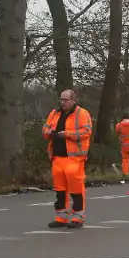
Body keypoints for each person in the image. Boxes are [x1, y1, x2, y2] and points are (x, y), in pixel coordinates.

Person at [41, 90, 92, 228]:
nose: (62, 102)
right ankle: (61, 217)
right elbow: (44, 129)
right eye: (61, 99)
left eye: (65, 100)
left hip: (74, 157)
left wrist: (68, 135)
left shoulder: (82, 114)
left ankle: (78, 217)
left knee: (76, 188)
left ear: (73, 100)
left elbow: (87, 131)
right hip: (57, 157)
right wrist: (49, 133)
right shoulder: (54, 113)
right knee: (60, 189)